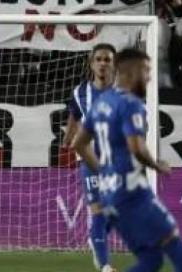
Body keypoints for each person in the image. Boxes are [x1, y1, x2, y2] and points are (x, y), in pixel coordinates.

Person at [72, 49, 182, 272]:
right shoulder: (131, 104)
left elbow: (78, 143)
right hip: (132, 193)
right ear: (131, 72)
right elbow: (136, 148)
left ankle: (103, 264)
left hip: (112, 193)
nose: (149, 76)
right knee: (173, 241)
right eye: (146, 70)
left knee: (151, 261)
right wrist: (156, 164)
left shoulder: (100, 104)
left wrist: (103, 170)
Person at [62, 44, 117, 272]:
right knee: (97, 210)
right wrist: (67, 138)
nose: (103, 63)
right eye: (99, 59)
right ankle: (104, 266)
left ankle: (96, 237)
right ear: (91, 63)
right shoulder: (80, 92)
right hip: (90, 158)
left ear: (113, 64)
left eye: (107, 59)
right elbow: (74, 116)